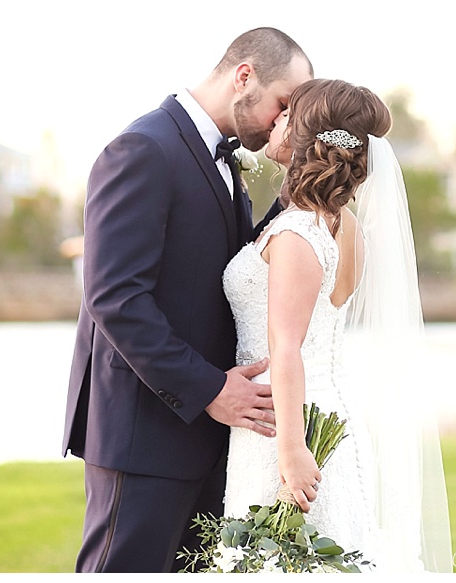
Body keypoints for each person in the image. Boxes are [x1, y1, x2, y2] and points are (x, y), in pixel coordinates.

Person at [62, 27, 313, 573]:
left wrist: (299, 199)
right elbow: (114, 297)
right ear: (244, 76)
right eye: (283, 104)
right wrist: (210, 390)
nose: (283, 121)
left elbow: (226, 270)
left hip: (209, 439)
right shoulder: (144, 148)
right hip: (143, 435)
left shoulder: (224, 162)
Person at [222, 79, 453, 572]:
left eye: (287, 113)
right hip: (326, 411)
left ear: (304, 134)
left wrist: (291, 451)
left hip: (285, 424)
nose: (276, 119)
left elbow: (286, 348)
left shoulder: (297, 232)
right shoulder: (345, 227)